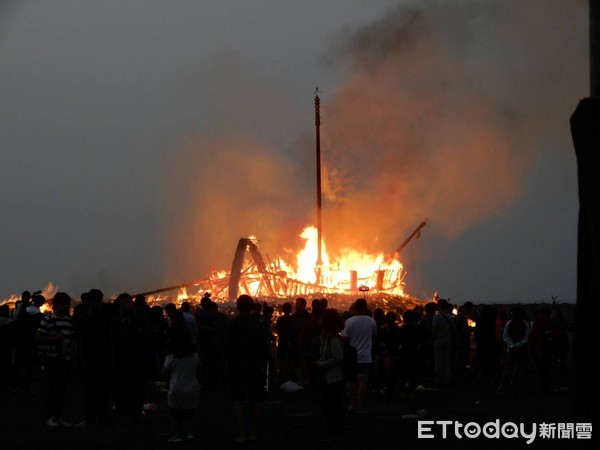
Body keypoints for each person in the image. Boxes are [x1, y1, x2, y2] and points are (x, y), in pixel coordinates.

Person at [226, 295, 270, 444]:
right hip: (255, 366)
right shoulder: (259, 325)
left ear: (237, 306)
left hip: (237, 366)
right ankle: (255, 433)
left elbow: (226, 347)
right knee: (257, 399)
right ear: (252, 307)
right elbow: (265, 348)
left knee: (237, 399)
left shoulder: (231, 324)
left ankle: (241, 433)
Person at [36, 292, 75, 427]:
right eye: (64, 304)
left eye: (67, 304)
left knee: (62, 389)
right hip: (53, 360)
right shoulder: (47, 320)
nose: (67, 306)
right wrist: (55, 338)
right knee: (53, 389)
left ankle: (58, 416)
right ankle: (51, 417)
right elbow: (39, 337)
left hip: (66, 359)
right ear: (57, 304)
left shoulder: (69, 321)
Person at [163, 310, 201, 443]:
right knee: (190, 413)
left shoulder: (171, 357)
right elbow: (199, 370)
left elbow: (164, 373)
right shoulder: (195, 356)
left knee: (174, 414)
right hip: (193, 389)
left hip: (176, 389)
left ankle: (177, 434)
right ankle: (190, 433)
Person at [341, 298, 377, 413]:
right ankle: (360, 406)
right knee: (363, 381)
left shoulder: (350, 321)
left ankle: (353, 403)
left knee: (350, 380)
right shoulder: (372, 321)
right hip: (365, 355)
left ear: (355, 308)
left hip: (352, 355)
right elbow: (374, 336)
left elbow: (345, 338)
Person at [315, 308, 345, 442]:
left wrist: (322, 364)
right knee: (329, 404)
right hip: (328, 377)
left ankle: (336, 432)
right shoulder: (326, 338)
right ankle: (335, 431)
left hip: (334, 378)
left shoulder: (334, 339)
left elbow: (338, 357)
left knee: (330, 405)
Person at [431, 298, 457, 385]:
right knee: (447, 360)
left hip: (439, 341)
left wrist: (433, 338)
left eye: (438, 305)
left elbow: (434, 329)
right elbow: (453, 330)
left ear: (440, 306)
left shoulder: (436, 317)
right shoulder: (450, 317)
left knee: (438, 361)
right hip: (448, 341)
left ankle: (439, 379)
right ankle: (447, 378)